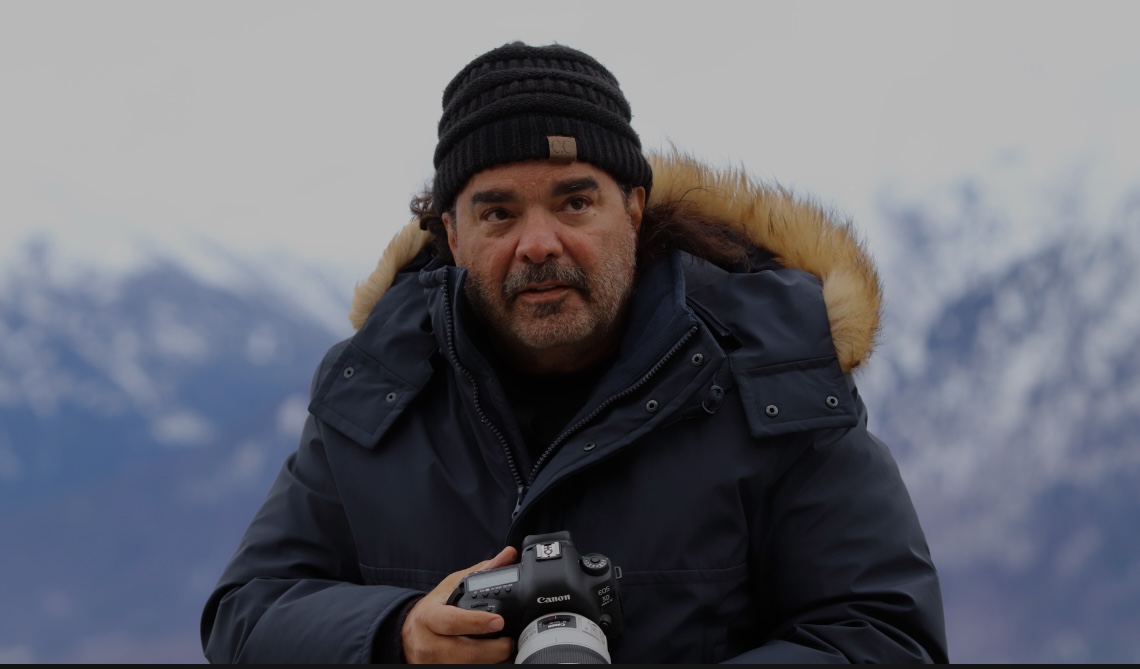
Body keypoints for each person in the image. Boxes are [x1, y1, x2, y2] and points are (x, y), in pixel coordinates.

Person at [200, 41, 948, 664]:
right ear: (453, 236)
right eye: (498, 212)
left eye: (575, 202)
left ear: (634, 208)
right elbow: (245, 614)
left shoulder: (775, 377)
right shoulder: (377, 390)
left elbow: (885, 635)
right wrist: (397, 634)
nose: (539, 243)